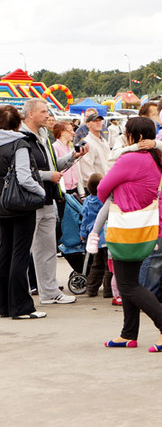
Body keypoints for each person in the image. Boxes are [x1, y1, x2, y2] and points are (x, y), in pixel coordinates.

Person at [97, 117, 162, 352]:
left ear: (135, 137)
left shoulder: (132, 159)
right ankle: (128, 333)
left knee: (128, 283)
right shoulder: (158, 158)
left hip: (128, 224)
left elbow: (102, 188)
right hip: (149, 224)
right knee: (128, 282)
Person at [21, 98, 87, 305]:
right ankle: (20, 294)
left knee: (48, 249)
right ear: (30, 114)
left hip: (49, 198)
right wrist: (49, 176)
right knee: (23, 251)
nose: (48, 115)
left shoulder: (44, 136)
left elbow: (53, 164)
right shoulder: (21, 137)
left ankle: (49, 292)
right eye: (43, 111)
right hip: (29, 201)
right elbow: (21, 172)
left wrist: (72, 157)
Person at [0, 105, 46, 319]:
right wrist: (41, 192)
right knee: (20, 254)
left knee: (5, 252)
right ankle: (21, 306)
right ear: (17, 122)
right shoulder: (19, 144)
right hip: (19, 204)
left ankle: (4, 305)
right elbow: (24, 177)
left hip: (1, 204)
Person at [80, 173, 113, 300]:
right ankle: (108, 290)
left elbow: (84, 220)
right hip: (107, 236)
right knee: (109, 265)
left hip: (95, 240)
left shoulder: (87, 201)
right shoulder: (105, 200)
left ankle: (91, 288)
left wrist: (83, 234)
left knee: (96, 264)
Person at [77, 113, 110, 194]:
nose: (98, 123)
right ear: (88, 124)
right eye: (95, 121)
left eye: (100, 121)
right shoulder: (87, 143)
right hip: (95, 188)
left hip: (106, 184)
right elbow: (87, 171)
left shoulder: (104, 141)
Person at [52, 122, 79, 194]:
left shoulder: (69, 148)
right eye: (70, 130)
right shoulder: (54, 147)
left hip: (73, 187)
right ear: (62, 132)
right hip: (63, 189)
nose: (73, 133)